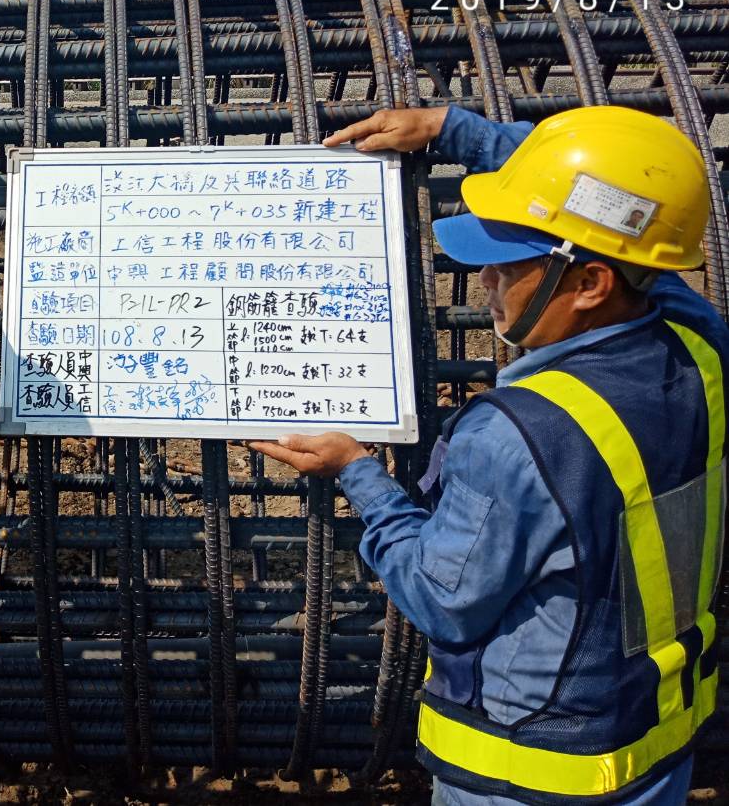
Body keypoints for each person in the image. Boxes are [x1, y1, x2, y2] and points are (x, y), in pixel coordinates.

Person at [254, 103, 726, 805]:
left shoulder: (515, 434)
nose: (484, 282)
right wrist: (457, 132)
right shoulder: (698, 342)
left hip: (527, 773)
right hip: (655, 743)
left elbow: (441, 599)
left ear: (591, 284)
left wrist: (358, 474)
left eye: (506, 262)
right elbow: (630, 212)